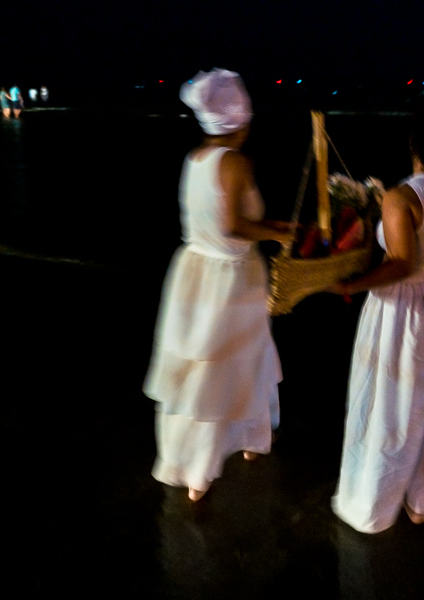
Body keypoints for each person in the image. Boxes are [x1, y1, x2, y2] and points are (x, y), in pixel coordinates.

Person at [143, 69, 292, 502]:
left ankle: (220, 450)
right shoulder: (235, 160)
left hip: (193, 272)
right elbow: (233, 226)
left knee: (202, 365)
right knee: (229, 364)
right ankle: (202, 470)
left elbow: (219, 221)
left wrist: (273, 227)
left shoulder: (195, 159)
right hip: (229, 278)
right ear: (239, 119)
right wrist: (280, 234)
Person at [327, 108, 424, 533]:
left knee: (393, 406)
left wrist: (351, 285)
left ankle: (375, 502)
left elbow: (403, 264)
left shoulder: (402, 197)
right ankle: (420, 500)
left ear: (412, 145)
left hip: (409, 313)